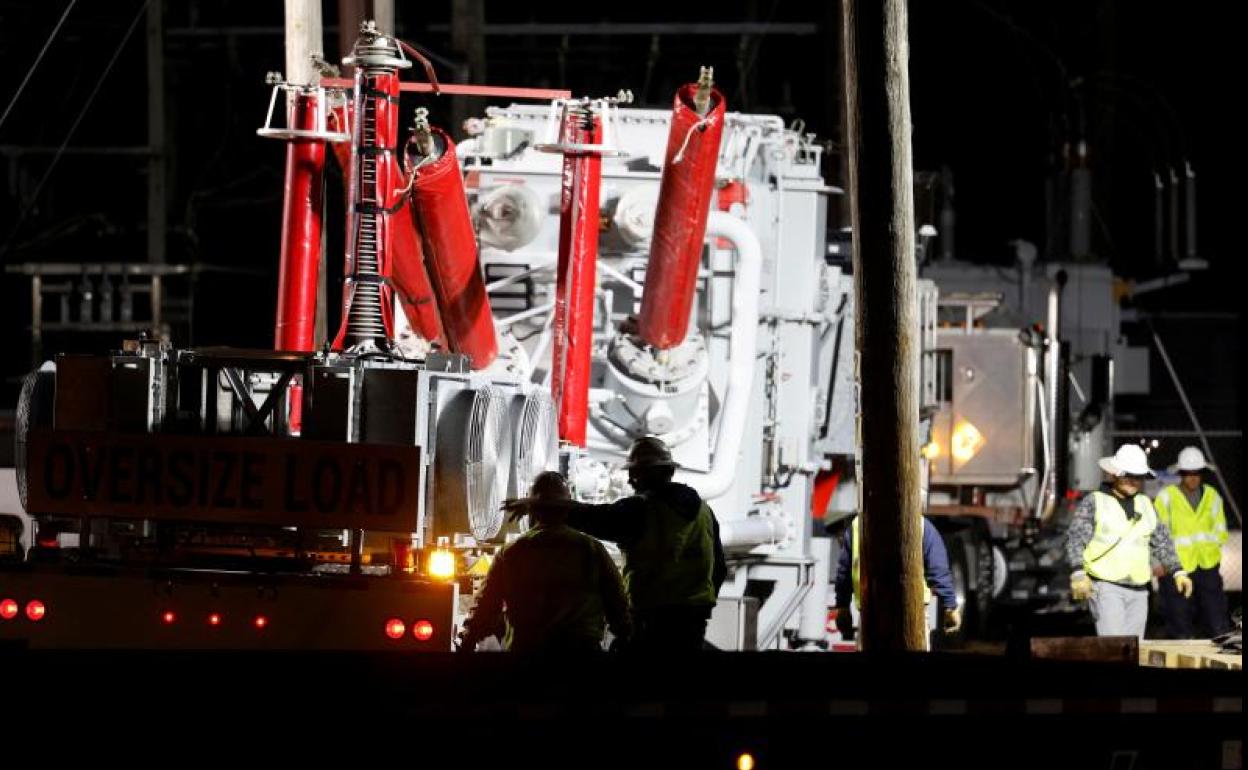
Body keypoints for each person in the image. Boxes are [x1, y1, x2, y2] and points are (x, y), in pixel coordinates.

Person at [504, 436, 727, 652]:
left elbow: (594, 517)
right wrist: (701, 606)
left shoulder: (641, 510)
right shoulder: (705, 512)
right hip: (694, 621)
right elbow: (719, 568)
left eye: (634, 474)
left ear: (651, 473)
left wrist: (541, 503)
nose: (630, 481)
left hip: (651, 620)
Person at [458, 471, 632, 654]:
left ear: (533, 510)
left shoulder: (512, 551)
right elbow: (616, 602)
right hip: (580, 654)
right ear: (567, 509)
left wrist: (468, 641)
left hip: (525, 653)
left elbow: (487, 605)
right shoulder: (591, 549)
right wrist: (625, 636)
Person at [1065, 443, 1193, 638]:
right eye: (1128, 474)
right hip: (1105, 587)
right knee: (1115, 649)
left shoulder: (1146, 505)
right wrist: (1078, 572)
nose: (1133, 481)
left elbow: (1162, 540)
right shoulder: (1095, 501)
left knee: (1134, 650)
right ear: (1115, 473)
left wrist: (1177, 571)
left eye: (1138, 476)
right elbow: (1076, 537)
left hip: (1139, 591)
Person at [826, 509, 961, 646]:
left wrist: (842, 606)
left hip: (870, 616)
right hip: (912, 616)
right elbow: (938, 569)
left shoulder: (857, 525)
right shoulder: (921, 525)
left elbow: (845, 571)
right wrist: (949, 606)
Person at [1154, 446, 1232, 638]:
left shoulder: (1212, 496)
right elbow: (1157, 533)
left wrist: (1210, 547)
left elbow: (1220, 529)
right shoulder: (1167, 497)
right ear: (1181, 473)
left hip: (1207, 566)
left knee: (1217, 621)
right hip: (1175, 567)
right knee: (1179, 622)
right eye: (1188, 473)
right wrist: (1158, 562)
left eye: (1197, 473)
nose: (1193, 477)